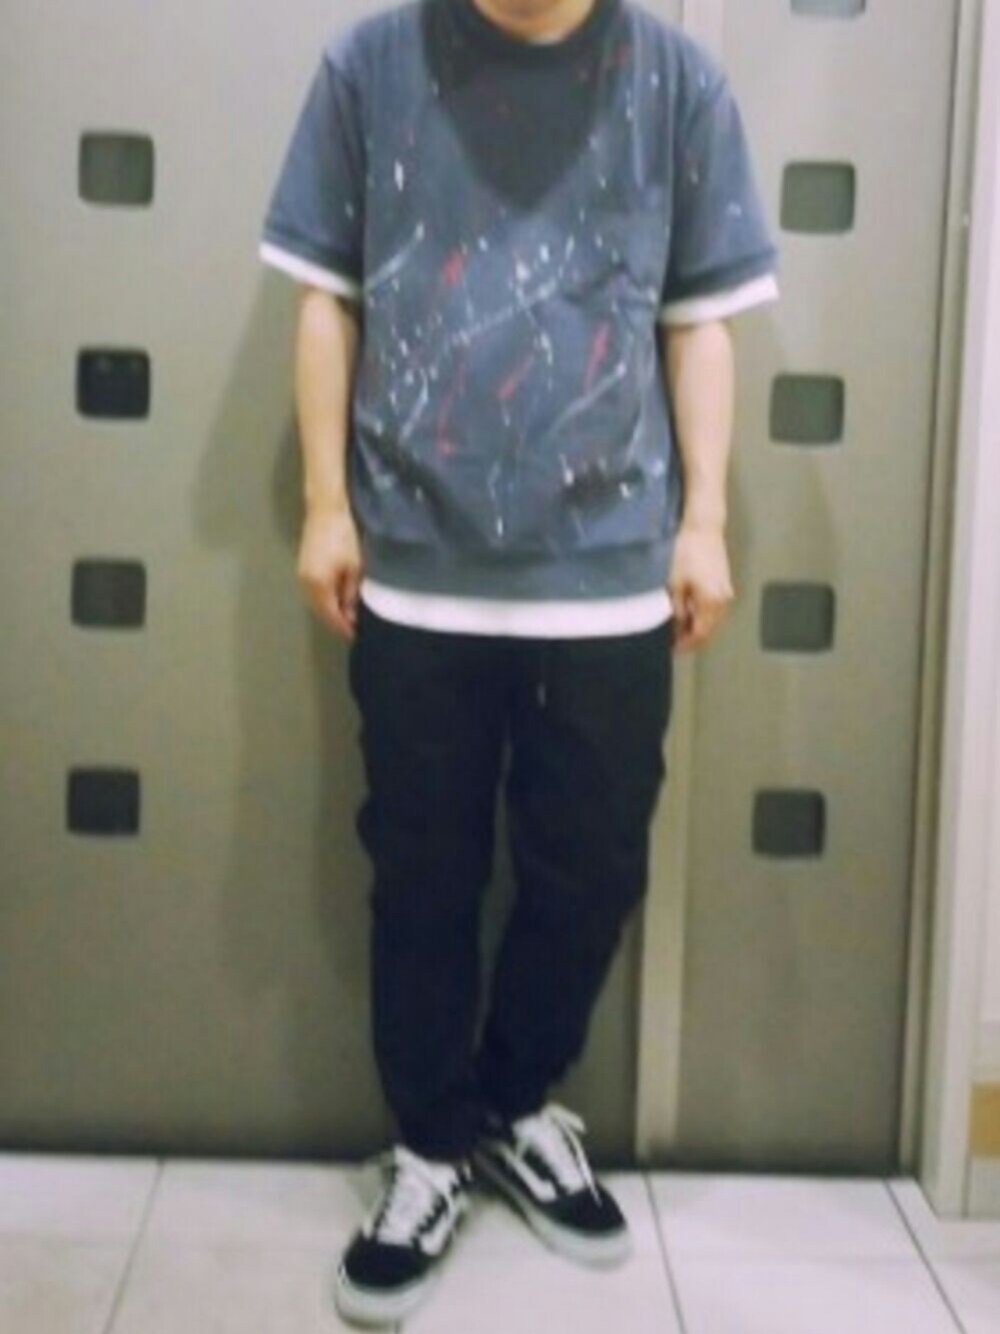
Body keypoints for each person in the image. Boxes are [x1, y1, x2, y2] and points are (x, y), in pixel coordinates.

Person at [259, 0, 779, 1324]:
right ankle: (431, 1144)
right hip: (414, 563)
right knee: (421, 875)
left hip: (610, 573)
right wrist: (324, 505)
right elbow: (324, 296)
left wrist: (705, 521)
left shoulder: (676, 82)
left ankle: (511, 1100)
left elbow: (700, 321)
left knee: (591, 868)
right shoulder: (370, 66)